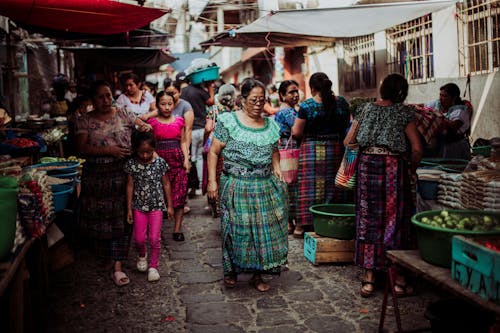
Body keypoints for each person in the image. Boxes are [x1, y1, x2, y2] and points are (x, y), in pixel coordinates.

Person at [207, 78, 288, 292]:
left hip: (263, 184)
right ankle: (231, 269)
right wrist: (212, 182)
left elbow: (274, 151)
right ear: (242, 100)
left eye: (262, 100)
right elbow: (214, 151)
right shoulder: (228, 121)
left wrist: (277, 167)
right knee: (236, 229)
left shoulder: (271, 125)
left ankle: (257, 274)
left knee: (262, 230)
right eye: (253, 100)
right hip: (235, 183)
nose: (258, 104)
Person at [345, 73, 423, 297]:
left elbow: (348, 141)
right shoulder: (403, 112)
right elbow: (417, 149)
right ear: (402, 93)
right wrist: (412, 168)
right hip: (392, 168)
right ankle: (398, 280)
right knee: (394, 220)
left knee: (368, 219)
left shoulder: (366, 109)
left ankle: (368, 280)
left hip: (367, 167)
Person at [75, 80, 152, 287]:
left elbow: (141, 125)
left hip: (122, 175)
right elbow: (81, 148)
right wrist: (110, 150)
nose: (106, 100)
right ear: (92, 100)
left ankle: (117, 266)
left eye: (108, 95)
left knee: (122, 219)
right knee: (97, 219)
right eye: (100, 96)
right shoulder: (84, 120)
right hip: (95, 178)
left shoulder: (124, 113)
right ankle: (103, 258)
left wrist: (144, 126)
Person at [291, 72, 351, 238]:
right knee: (335, 186)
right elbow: (347, 125)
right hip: (336, 150)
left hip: (311, 151)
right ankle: (335, 220)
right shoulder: (342, 103)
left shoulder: (307, 106)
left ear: (312, 88)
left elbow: (296, 132)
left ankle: (302, 226)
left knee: (308, 188)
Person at [125, 131, 174, 281]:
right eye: (141, 152)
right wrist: (129, 209)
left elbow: (166, 184)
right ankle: (142, 255)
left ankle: (153, 266)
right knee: (139, 239)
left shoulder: (160, 163)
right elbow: (130, 186)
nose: (145, 156)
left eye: (149, 152)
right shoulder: (132, 164)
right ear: (135, 150)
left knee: (154, 238)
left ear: (154, 149)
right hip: (139, 206)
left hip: (156, 206)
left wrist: (170, 205)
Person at [148, 91, 190, 242]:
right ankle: (155, 230)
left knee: (180, 196)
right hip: (158, 163)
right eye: (163, 104)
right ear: (157, 105)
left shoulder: (179, 121)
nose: (166, 107)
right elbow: (149, 144)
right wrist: (155, 159)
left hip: (177, 163)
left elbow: (183, 141)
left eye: (170, 104)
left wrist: (186, 159)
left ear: (174, 104)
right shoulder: (152, 123)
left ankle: (177, 229)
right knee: (158, 196)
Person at [203, 83, 236, 217]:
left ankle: (216, 207)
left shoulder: (213, 109)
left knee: (216, 177)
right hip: (231, 148)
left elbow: (208, 128)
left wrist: (206, 142)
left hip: (217, 148)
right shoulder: (236, 110)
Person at [274, 80, 300, 234]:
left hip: (284, 149)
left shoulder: (286, 110)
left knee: (287, 186)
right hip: (290, 150)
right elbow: (297, 131)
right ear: (282, 95)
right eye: (291, 92)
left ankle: (289, 222)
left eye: (296, 91)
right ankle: (291, 222)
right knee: (292, 187)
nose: (295, 95)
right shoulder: (288, 112)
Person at [181, 79, 215, 196]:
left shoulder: (183, 91)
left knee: (191, 157)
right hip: (201, 128)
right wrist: (210, 86)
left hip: (187, 130)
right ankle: (200, 185)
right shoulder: (200, 91)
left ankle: (191, 185)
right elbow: (211, 101)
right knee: (200, 157)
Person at [425, 83, 472, 160]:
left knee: (454, 168)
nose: (441, 98)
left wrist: (440, 116)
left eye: (445, 96)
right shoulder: (438, 104)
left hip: (456, 146)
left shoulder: (460, 110)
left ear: (454, 98)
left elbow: (454, 126)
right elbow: (422, 106)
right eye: (440, 95)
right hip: (441, 146)